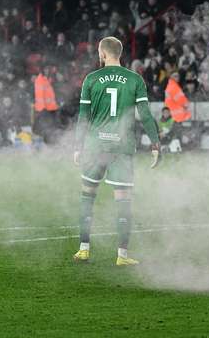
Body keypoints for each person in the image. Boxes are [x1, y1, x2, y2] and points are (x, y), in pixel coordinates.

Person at [72, 37, 160, 266]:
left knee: (87, 195)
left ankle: (83, 249)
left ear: (102, 53)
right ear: (119, 53)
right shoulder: (134, 79)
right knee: (123, 200)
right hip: (121, 148)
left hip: (94, 146)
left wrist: (77, 146)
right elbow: (145, 114)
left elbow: (83, 117)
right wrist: (155, 143)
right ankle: (122, 255)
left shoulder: (91, 79)